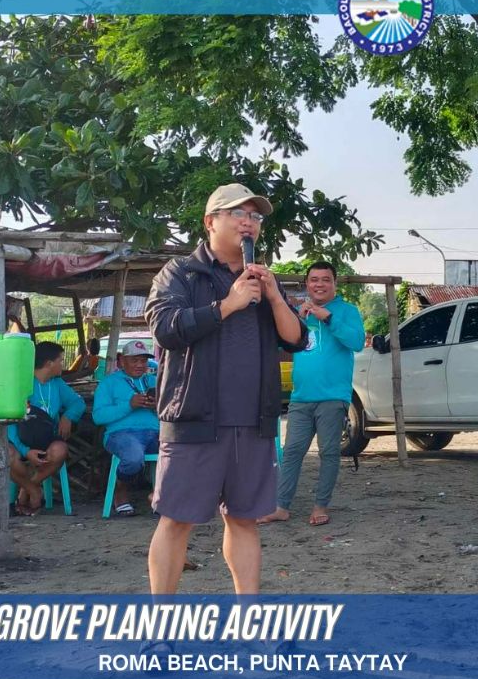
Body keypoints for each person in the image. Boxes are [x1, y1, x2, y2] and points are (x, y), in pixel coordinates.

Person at [145, 182, 307, 595]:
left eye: (254, 216)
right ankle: (160, 630)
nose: (248, 222)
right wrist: (228, 305)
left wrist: (272, 296)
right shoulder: (180, 273)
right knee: (176, 519)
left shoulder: (262, 278)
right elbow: (166, 330)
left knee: (244, 519)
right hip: (195, 419)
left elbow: (296, 339)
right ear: (210, 221)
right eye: (238, 213)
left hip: (254, 421)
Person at [258, 262, 365, 527]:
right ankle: (281, 506)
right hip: (301, 396)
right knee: (292, 451)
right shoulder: (296, 313)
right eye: (314, 280)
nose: (319, 284)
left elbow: (357, 342)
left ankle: (320, 506)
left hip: (333, 396)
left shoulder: (347, 311)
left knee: (329, 452)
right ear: (307, 284)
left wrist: (327, 317)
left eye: (325, 280)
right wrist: (299, 317)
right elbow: (283, 341)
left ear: (334, 283)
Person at [7, 341, 86, 515]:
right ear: (49, 364)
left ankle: (25, 490)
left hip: (47, 438)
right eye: (60, 360)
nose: (63, 365)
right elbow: (10, 423)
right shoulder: (22, 385)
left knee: (60, 450)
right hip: (20, 439)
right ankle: (34, 491)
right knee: (7, 455)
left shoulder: (56, 384)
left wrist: (68, 416)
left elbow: (77, 402)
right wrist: (25, 451)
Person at [92, 339, 159, 517]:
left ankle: (160, 496)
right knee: (133, 457)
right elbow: (98, 417)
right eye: (134, 360)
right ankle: (120, 490)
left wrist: (157, 406)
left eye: (143, 361)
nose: (140, 365)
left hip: (156, 432)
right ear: (121, 361)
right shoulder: (109, 383)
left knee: (181, 453)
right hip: (121, 434)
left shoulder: (154, 380)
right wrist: (129, 405)